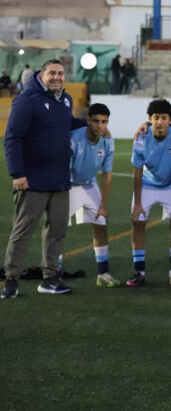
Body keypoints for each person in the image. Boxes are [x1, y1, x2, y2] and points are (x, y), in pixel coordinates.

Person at [2, 59, 88, 298]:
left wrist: (91, 125)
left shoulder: (66, 100)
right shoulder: (27, 100)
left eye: (61, 73)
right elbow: (12, 138)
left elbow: (66, 124)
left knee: (57, 231)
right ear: (41, 74)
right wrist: (17, 174)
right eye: (52, 73)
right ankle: (11, 280)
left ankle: (50, 278)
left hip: (60, 178)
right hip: (32, 180)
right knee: (22, 231)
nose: (57, 77)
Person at [128, 99, 171, 287]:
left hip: (170, 185)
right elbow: (137, 174)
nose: (160, 122)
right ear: (149, 119)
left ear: (169, 119)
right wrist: (137, 204)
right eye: (156, 118)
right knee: (137, 222)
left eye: (164, 118)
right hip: (147, 184)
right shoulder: (141, 139)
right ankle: (139, 272)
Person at [67, 103, 118, 287]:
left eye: (103, 122)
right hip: (69, 186)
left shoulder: (109, 142)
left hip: (89, 185)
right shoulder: (73, 138)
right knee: (57, 229)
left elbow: (107, 175)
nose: (99, 125)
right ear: (88, 120)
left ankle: (103, 273)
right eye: (95, 121)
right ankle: (53, 272)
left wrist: (103, 205)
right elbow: (65, 170)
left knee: (101, 223)